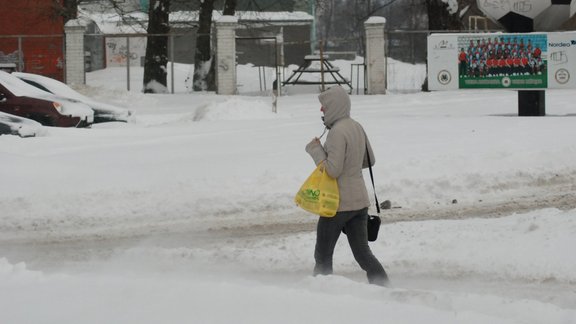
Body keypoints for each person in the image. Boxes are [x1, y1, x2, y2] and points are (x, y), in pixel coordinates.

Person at [304, 85, 389, 287]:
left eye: (324, 106)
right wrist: (351, 164)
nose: (321, 110)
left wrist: (316, 151)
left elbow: (332, 171)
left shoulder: (336, 133)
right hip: (359, 203)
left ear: (334, 106)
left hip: (337, 205)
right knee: (363, 254)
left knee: (322, 254)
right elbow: (370, 161)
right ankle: (384, 287)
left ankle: (321, 291)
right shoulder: (356, 126)